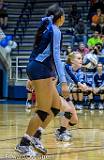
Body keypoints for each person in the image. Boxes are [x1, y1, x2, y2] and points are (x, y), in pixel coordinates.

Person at [15, 4, 69, 156]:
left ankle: (36, 136)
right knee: (43, 109)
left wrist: (30, 76)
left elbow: (36, 52)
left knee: (56, 105)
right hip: (40, 70)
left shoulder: (46, 27)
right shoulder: (55, 30)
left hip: (38, 68)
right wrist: (63, 82)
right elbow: (57, 57)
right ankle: (24, 144)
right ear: (61, 18)